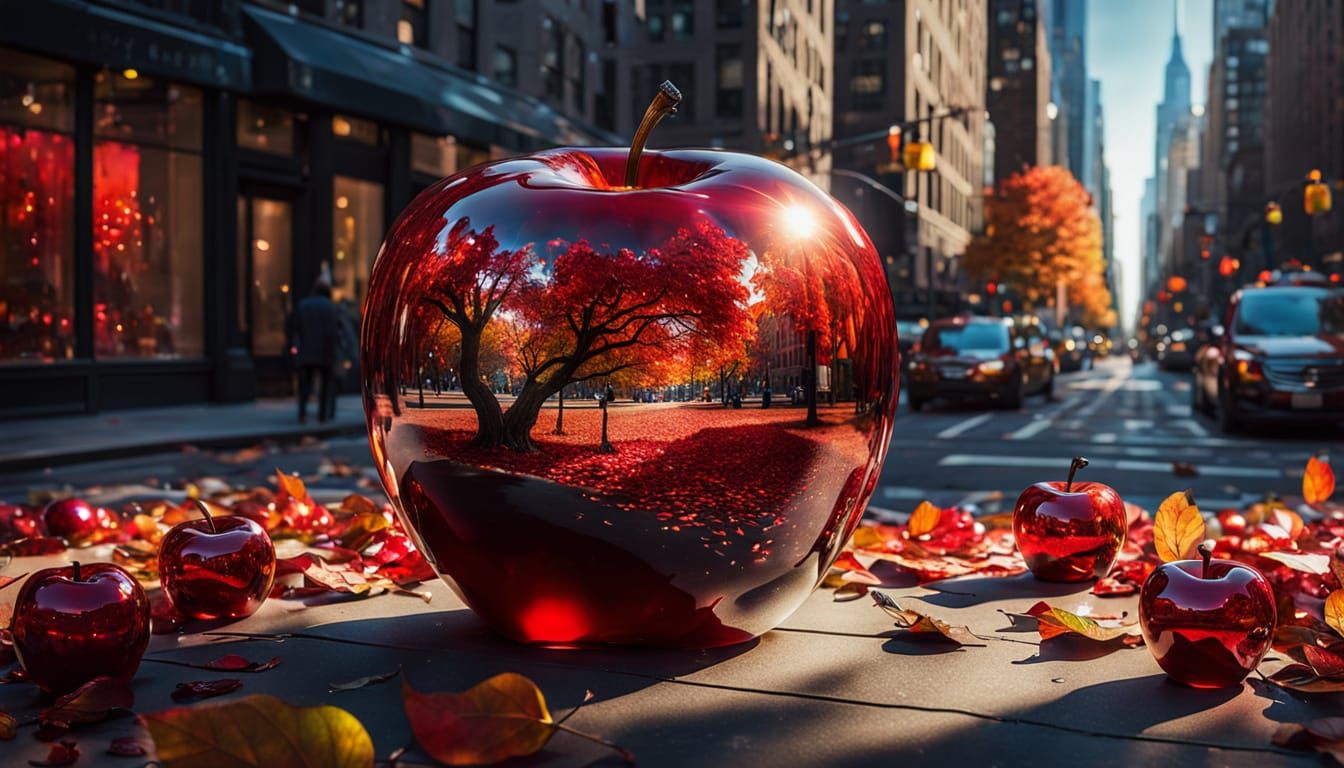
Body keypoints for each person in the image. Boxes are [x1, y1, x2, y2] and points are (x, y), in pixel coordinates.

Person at [289, 279, 347, 423]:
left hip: (306, 351)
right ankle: (322, 416)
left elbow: (295, 329)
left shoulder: (303, 305)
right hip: (325, 351)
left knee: (305, 384)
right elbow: (336, 331)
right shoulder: (331, 307)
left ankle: (302, 413)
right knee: (325, 385)